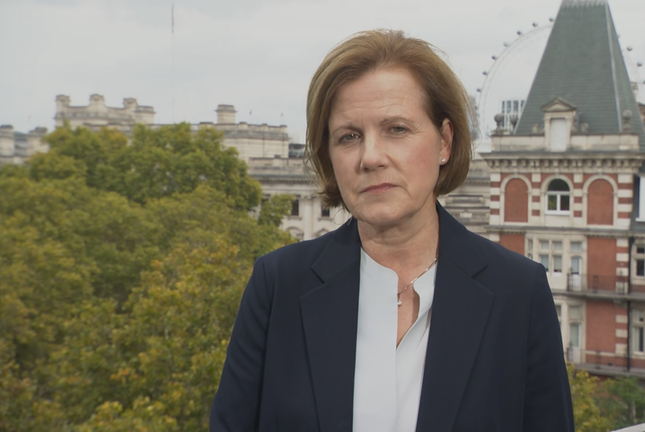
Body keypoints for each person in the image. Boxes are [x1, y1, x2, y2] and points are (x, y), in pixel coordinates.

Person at [210, 29, 574, 432]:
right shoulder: (277, 286)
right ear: (329, 157)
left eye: (396, 129)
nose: (370, 157)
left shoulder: (518, 292)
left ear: (445, 143)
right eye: (348, 137)